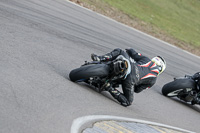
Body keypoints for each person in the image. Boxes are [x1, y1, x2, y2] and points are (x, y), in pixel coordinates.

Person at [91, 48, 166, 107]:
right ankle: (109, 87)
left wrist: (129, 49)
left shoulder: (147, 59)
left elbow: (133, 53)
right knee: (127, 102)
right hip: (130, 81)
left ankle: (100, 58)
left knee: (120, 51)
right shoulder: (153, 80)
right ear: (161, 70)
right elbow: (137, 90)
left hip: (129, 66)